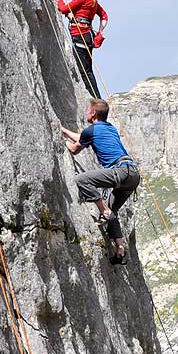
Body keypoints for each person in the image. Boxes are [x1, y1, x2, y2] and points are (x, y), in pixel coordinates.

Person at [61, 98, 140, 265]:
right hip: (132, 174)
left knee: (82, 180)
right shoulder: (109, 128)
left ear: (93, 113)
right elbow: (82, 137)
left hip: (120, 171)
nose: (86, 112)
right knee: (114, 211)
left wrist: (58, 138)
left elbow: (75, 149)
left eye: (88, 110)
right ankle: (120, 248)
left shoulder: (92, 130)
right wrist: (65, 131)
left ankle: (103, 209)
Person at [53, 0, 106, 99]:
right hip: (87, 35)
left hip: (80, 35)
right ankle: (96, 98)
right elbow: (104, 16)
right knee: (87, 70)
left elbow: (64, 9)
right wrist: (99, 33)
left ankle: (95, 99)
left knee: (84, 71)